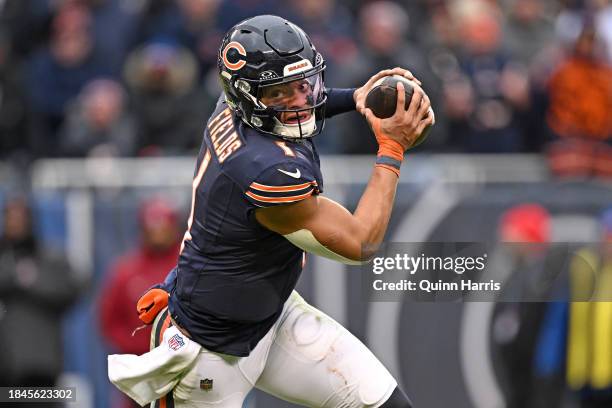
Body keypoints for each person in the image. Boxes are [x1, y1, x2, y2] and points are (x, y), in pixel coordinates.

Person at [108, 15, 433, 408]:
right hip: (211, 353)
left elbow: (294, 101)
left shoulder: (236, 106)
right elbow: (361, 242)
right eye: (280, 93)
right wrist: (392, 150)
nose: (300, 100)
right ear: (247, 96)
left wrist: (356, 98)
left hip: (272, 317)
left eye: (303, 84)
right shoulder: (265, 170)